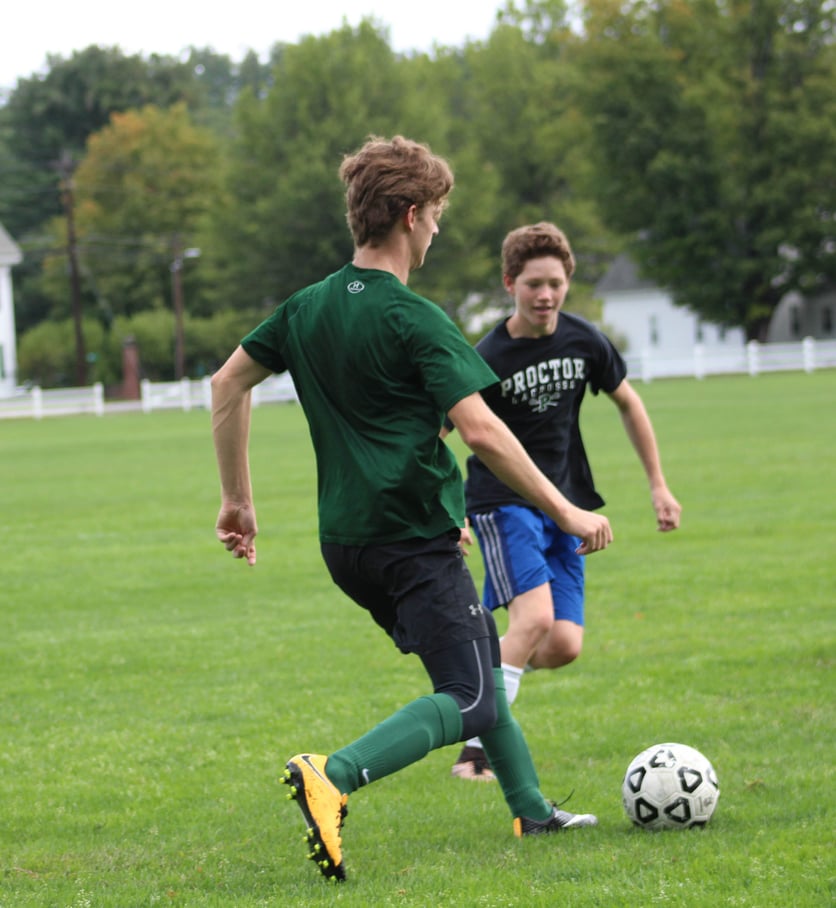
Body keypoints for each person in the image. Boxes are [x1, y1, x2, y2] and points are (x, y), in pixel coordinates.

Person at [210, 139, 613, 883]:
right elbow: (483, 430)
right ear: (409, 214)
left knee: (476, 665)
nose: (437, 232)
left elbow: (225, 385)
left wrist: (238, 501)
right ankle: (333, 774)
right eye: (436, 217)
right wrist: (565, 509)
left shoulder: (305, 307)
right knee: (468, 693)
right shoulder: (415, 319)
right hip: (411, 540)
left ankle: (530, 809)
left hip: (348, 545)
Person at [447, 221, 682, 782]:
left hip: (566, 505)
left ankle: (478, 673)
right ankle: (474, 755)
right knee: (534, 621)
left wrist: (658, 485)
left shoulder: (583, 340)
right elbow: (442, 433)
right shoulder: (487, 356)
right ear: (510, 283)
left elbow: (630, 403)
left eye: (555, 282)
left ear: (568, 281)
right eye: (533, 284)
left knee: (563, 645)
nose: (545, 295)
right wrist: (450, 512)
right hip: (502, 502)